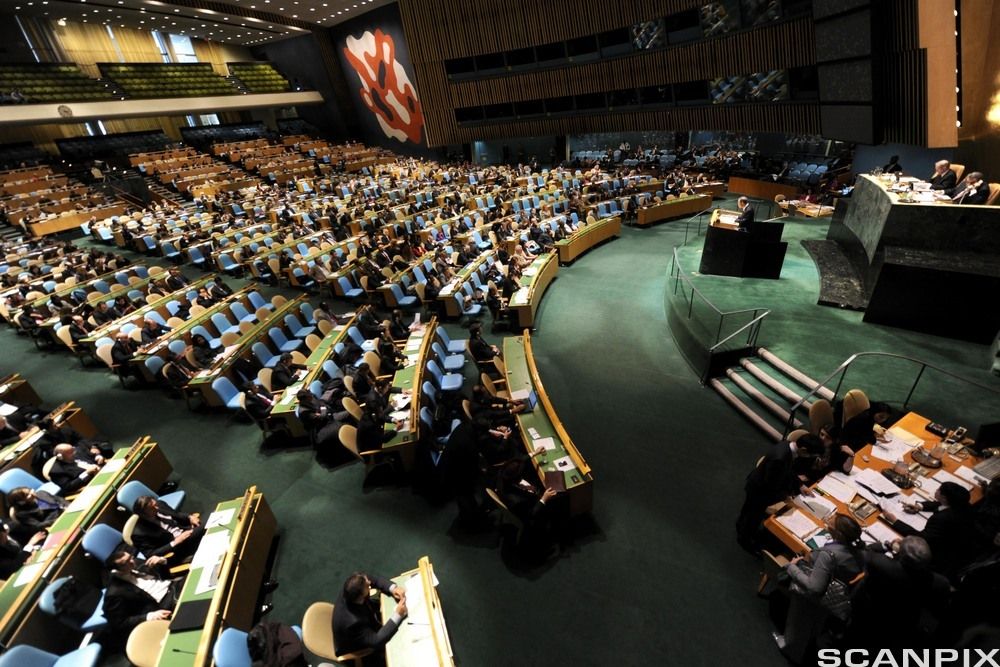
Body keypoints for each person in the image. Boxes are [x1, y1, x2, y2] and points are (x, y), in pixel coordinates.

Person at [773, 514, 864, 662]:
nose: (827, 522)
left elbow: (814, 588)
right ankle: (805, 647)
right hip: (832, 596)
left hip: (811, 597)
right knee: (815, 624)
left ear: (838, 534)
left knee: (798, 621)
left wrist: (792, 567)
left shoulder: (828, 555)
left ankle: (790, 649)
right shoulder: (858, 552)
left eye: (831, 523)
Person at [851, 536, 951, 648]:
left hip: (872, 613)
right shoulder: (941, 583)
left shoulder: (879, 563)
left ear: (900, 555)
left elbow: (865, 552)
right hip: (905, 622)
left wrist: (887, 545)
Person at [735, 433, 826, 554]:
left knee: (748, 511)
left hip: (758, 484)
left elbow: (788, 471)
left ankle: (741, 525)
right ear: (803, 450)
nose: (809, 458)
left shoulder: (788, 446)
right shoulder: (780, 458)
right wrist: (786, 497)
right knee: (753, 516)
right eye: (810, 455)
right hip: (759, 491)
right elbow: (771, 485)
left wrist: (800, 485)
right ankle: (745, 540)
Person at [880, 481, 982, 581]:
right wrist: (919, 507)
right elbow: (939, 505)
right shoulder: (963, 505)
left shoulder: (942, 519)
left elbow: (921, 539)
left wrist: (895, 521)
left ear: (944, 497)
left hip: (941, 558)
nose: (936, 490)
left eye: (938, 490)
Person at [102, 549, 178, 640]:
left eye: (131, 558)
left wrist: (162, 562)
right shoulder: (114, 593)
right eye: (125, 562)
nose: (132, 562)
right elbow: (119, 623)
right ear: (115, 570)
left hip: (173, 585)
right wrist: (149, 616)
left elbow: (165, 576)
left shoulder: (135, 562)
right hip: (164, 602)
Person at [331, 572, 407, 658]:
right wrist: (398, 614)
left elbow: (373, 579)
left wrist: (393, 589)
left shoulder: (352, 585)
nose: (369, 582)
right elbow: (376, 641)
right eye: (367, 586)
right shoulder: (353, 623)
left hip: (364, 613)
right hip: (352, 643)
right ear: (360, 597)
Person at [130, 495, 204, 565]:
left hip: (188, 529)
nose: (157, 508)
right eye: (152, 508)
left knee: (208, 524)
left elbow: (177, 514)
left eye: (155, 504)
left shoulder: (160, 504)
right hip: (178, 547)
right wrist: (175, 542)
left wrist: (189, 517)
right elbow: (151, 554)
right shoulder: (138, 534)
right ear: (143, 515)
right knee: (207, 526)